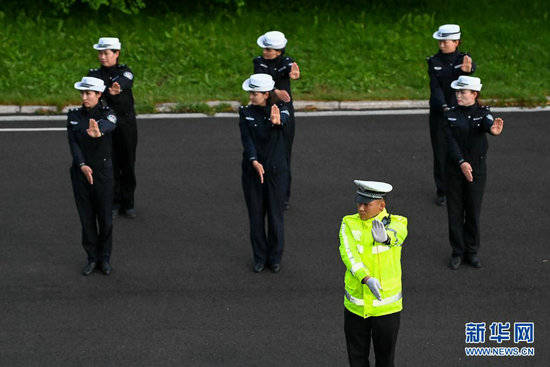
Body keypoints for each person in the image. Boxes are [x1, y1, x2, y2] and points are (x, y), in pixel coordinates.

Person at [339, 180, 408, 367]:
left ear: (381, 205)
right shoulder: (348, 223)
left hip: (386, 309)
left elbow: (397, 235)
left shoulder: (398, 222)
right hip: (356, 307)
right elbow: (348, 254)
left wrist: (386, 238)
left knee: (385, 360)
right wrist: (366, 278)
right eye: (359, 202)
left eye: (366, 204)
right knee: (357, 359)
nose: (361, 208)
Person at [444, 76, 503, 270]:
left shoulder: (483, 113)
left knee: (473, 211)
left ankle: (472, 251)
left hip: (477, 169)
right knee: (454, 212)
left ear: (474, 94)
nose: (458, 95)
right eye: (457, 92)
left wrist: (493, 131)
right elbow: (450, 142)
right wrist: (461, 162)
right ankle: (457, 252)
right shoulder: (450, 114)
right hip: (455, 169)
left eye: (462, 92)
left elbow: (488, 123)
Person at [239, 73, 291, 273]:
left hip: (276, 173)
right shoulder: (245, 112)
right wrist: (253, 160)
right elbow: (247, 140)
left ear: (266, 94)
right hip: (252, 173)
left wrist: (277, 122)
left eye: (255, 93)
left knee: (276, 217)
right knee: (256, 217)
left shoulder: (281, 109)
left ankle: (275, 258)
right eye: (250, 92)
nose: (251, 96)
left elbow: (284, 120)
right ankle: (259, 257)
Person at [68, 76, 117, 276]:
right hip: (81, 172)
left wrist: (99, 133)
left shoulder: (108, 114)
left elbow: (110, 125)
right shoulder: (74, 116)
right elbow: (73, 143)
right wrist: (82, 165)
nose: (84, 97)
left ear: (99, 94)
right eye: (82, 93)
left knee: (105, 219)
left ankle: (104, 259)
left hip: (103, 173)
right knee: (86, 219)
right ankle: (91, 258)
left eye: (89, 93)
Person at [88, 37, 138, 218]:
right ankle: (114, 202)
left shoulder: (125, 72)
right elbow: (93, 89)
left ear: (116, 54)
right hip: (107, 124)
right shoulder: (94, 74)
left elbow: (125, 81)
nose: (102, 57)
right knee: (110, 164)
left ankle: (128, 202)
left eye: (106, 53)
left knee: (128, 163)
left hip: (126, 125)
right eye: (100, 53)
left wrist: (115, 89)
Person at [427, 24, 476, 206]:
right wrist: (445, 107)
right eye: (439, 41)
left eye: (445, 41)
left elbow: (469, 76)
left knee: (462, 151)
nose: (441, 44)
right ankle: (442, 191)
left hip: (462, 114)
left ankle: (463, 186)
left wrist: (467, 71)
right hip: (440, 115)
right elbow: (436, 88)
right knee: (441, 153)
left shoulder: (464, 59)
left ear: (456, 42)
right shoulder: (433, 61)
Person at [254, 31, 300, 209]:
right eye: (264, 48)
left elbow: (289, 70)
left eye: (269, 49)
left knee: (282, 157)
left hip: (283, 114)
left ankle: (282, 197)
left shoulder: (285, 62)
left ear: (279, 51)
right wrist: (275, 92)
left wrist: (293, 74)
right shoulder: (259, 62)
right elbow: (260, 81)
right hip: (263, 112)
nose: (265, 51)